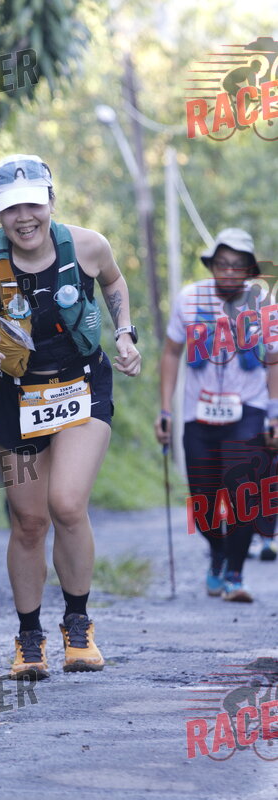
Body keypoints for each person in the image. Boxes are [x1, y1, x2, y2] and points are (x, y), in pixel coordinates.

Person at [0, 154, 141, 679]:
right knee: (29, 522)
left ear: (51, 202)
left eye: (33, 204)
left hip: (82, 386)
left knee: (66, 503)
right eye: (11, 208)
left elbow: (114, 283)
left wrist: (125, 333)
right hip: (17, 398)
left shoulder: (88, 245)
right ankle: (29, 637)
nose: (24, 218)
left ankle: (78, 626)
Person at [155, 228, 278, 603]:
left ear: (249, 270)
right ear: (211, 266)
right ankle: (219, 552)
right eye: (222, 263)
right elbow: (171, 352)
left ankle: (235, 576)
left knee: (243, 491)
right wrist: (165, 409)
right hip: (199, 413)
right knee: (203, 500)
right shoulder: (189, 299)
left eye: (238, 265)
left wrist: (274, 413)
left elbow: (274, 359)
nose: (229, 271)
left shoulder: (264, 304)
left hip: (249, 408)